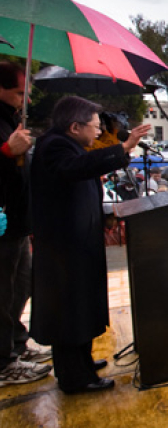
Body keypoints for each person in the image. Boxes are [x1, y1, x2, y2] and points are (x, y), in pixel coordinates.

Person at [28, 95, 151, 393]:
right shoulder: (55, 147)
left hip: (77, 242)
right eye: (95, 127)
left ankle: (80, 363)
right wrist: (121, 148)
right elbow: (76, 169)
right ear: (74, 126)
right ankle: (75, 377)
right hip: (64, 247)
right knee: (69, 310)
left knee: (80, 307)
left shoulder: (68, 145)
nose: (98, 132)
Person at [0, 61, 52, 387]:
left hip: (18, 223)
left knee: (21, 286)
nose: (25, 98)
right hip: (3, 225)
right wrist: (6, 151)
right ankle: (4, 363)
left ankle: (15, 345)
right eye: (20, 92)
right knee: (3, 294)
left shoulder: (10, 120)